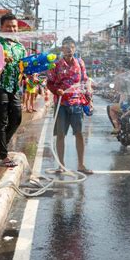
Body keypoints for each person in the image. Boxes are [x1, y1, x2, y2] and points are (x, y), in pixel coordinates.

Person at [47, 36, 93, 175]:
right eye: (66, 47)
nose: (69, 50)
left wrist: (89, 95)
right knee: (60, 134)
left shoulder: (80, 62)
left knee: (79, 133)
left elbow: (85, 81)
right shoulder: (55, 64)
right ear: (62, 49)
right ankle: (61, 165)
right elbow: (49, 83)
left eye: (72, 47)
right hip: (61, 104)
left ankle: (81, 164)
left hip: (77, 104)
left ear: (75, 48)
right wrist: (56, 90)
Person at [0, 13, 26, 167]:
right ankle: (3, 155)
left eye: (14, 26)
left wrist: (31, 74)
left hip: (14, 87)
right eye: (8, 26)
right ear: (2, 27)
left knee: (16, 118)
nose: (11, 29)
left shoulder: (20, 47)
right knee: (2, 120)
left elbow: (23, 67)